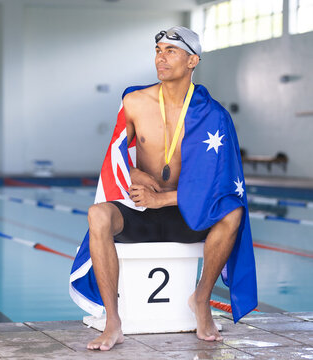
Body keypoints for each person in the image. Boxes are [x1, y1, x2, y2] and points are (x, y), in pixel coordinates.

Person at [68, 26, 257, 351]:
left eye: (171, 51)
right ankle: (113, 321)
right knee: (98, 215)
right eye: (158, 50)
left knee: (232, 213)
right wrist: (133, 175)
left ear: (192, 60)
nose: (161, 57)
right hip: (141, 210)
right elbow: (114, 158)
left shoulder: (213, 115)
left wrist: (162, 199)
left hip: (189, 215)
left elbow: (219, 184)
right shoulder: (134, 102)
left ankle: (201, 298)